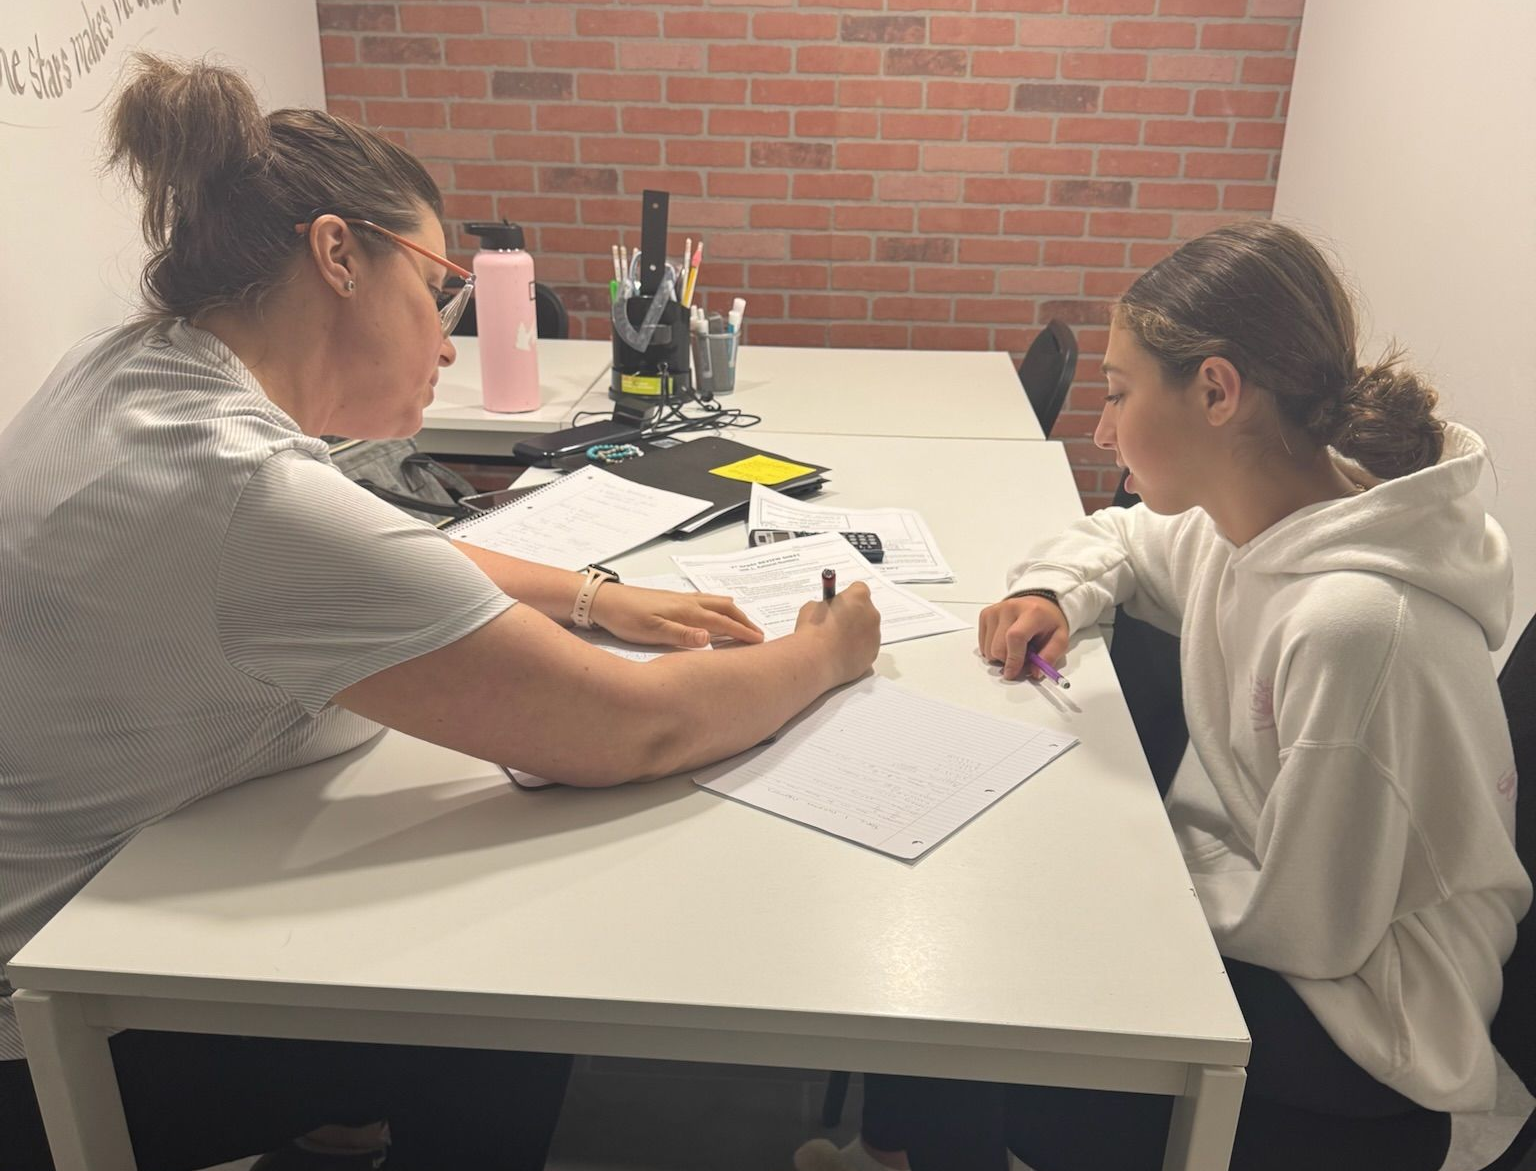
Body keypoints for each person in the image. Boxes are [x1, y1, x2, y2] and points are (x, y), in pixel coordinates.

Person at [0, 54, 881, 1171]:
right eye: (437, 286)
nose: (451, 337)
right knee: (506, 995)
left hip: (114, 897)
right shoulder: (238, 490)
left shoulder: (129, 371)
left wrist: (597, 592)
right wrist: (828, 654)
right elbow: (632, 729)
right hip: (57, 1037)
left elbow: (379, 557)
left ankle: (334, 1126)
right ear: (336, 253)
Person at [796, 220, 1530, 1171]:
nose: (1100, 428)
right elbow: (1126, 540)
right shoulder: (1262, 519)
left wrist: (1135, 857)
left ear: (1217, 391)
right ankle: (900, 1151)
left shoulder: (1356, 627)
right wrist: (1048, 591)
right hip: (1287, 918)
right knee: (978, 883)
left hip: (1368, 1023)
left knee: (987, 949)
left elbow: (1311, 929)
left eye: (1118, 392)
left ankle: (926, 1148)